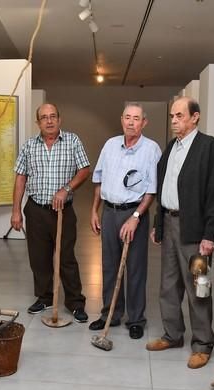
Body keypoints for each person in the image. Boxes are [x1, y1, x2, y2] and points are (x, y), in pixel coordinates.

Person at [146, 97, 214, 370]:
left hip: (195, 231)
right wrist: (158, 224)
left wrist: (209, 235)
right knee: (168, 285)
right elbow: (163, 190)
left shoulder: (209, 147)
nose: (174, 121)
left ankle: (203, 344)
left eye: (180, 115)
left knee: (198, 287)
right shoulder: (171, 148)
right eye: (172, 116)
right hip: (169, 224)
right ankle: (172, 334)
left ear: (195, 117)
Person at [11, 103, 91, 322]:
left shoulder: (72, 141)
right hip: (36, 210)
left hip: (62, 212)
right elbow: (20, 177)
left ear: (59, 119)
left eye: (53, 116)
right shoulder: (29, 146)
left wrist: (66, 189)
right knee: (39, 258)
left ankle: (75, 302)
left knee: (66, 258)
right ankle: (45, 297)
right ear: (38, 122)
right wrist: (16, 210)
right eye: (44, 117)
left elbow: (85, 169)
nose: (49, 121)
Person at [89, 102, 161, 339]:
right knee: (109, 266)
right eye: (127, 117)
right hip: (109, 213)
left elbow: (151, 191)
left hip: (134, 214)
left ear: (144, 122)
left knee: (135, 268)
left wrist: (136, 217)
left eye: (136, 118)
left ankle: (136, 319)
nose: (131, 122)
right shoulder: (110, 145)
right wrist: (94, 211)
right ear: (122, 119)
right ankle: (110, 313)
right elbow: (98, 180)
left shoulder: (151, 149)